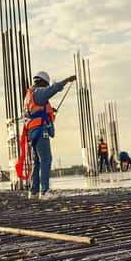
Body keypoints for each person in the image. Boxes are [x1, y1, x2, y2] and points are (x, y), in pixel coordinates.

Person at [23, 71, 75, 199]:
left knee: (37, 162)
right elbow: (53, 89)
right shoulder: (39, 92)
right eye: (46, 84)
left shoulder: (29, 95)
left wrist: (49, 112)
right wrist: (67, 80)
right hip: (40, 130)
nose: (46, 87)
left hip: (32, 132)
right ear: (41, 82)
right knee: (46, 159)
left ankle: (33, 192)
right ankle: (44, 191)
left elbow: (36, 111)